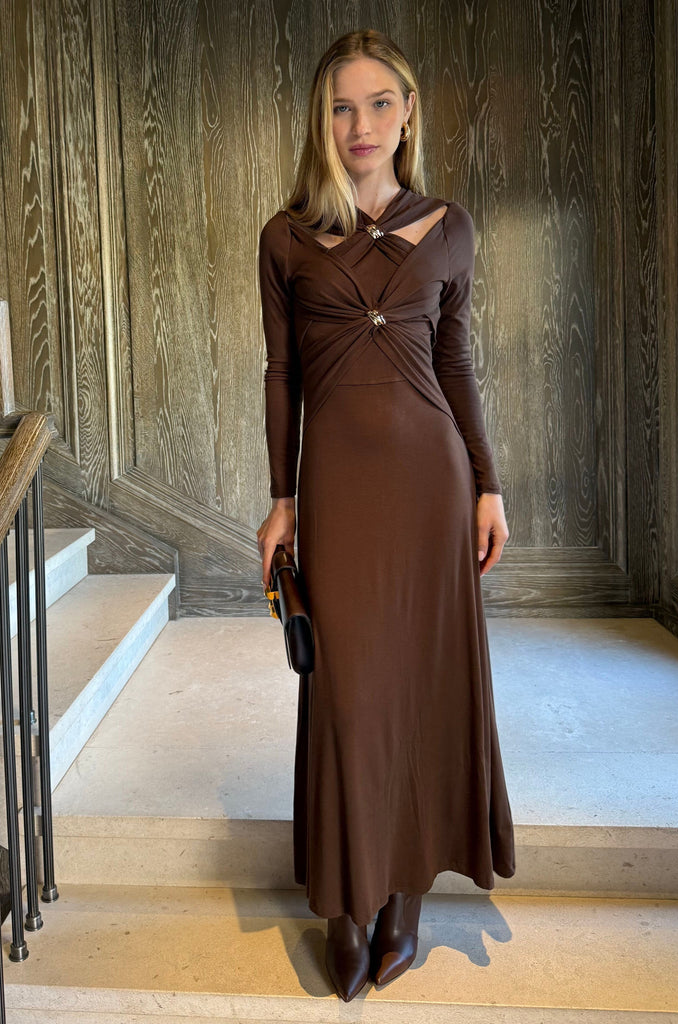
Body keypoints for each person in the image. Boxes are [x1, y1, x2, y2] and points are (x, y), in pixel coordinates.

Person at [256, 28, 515, 1002]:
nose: (358, 124)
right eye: (338, 106)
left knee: (423, 690)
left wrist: (486, 484)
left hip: (432, 484)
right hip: (339, 494)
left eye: (375, 103)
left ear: (406, 112)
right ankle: (343, 902)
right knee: (348, 698)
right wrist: (283, 497)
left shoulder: (448, 226)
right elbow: (281, 373)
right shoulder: (285, 234)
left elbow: (454, 364)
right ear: (319, 121)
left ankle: (403, 899)